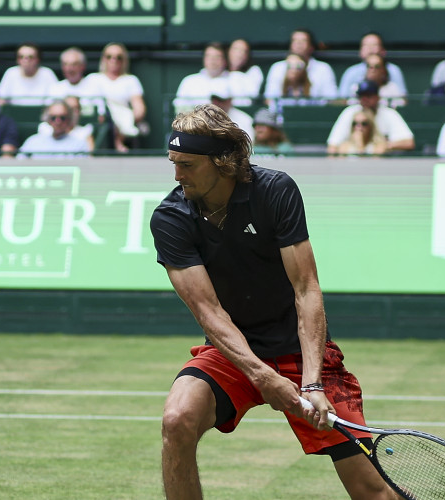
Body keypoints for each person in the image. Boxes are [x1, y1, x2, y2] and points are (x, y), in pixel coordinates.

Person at [151, 103, 395, 500]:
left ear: (222, 161)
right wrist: (262, 376)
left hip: (300, 351)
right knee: (177, 419)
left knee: (371, 492)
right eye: (173, 163)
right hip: (232, 352)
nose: (177, 175)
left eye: (188, 165)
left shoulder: (275, 191)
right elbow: (209, 312)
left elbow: (306, 289)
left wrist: (311, 382)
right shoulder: (171, 218)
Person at [87, 42, 147, 151]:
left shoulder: (131, 80)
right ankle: (117, 144)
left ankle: (117, 141)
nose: (113, 60)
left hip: (122, 119)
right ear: (103, 59)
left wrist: (127, 120)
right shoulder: (93, 78)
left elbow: (139, 109)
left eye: (119, 57)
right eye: (109, 57)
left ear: (124, 60)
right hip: (98, 120)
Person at [326, 81, 415, 154]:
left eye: (368, 96)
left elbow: (409, 143)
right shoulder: (349, 112)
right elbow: (332, 146)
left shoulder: (389, 113)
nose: (365, 100)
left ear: (377, 97)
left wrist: (384, 146)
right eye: (362, 96)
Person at [265, 29, 337, 100]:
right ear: (290, 46)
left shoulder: (323, 68)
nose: (299, 44)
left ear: (311, 47)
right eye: (295, 41)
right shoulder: (277, 67)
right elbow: (269, 99)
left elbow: (332, 99)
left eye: (304, 41)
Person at [174, 43, 251, 109]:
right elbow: (180, 108)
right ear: (204, 59)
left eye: (217, 57)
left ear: (224, 60)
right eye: (209, 56)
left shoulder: (238, 79)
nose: (213, 61)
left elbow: (245, 106)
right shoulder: (189, 80)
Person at [338, 32, 406, 100]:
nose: (370, 49)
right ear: (360, 51)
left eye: (375, 45)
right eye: (366, 45)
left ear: (383, 50)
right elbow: (341, 99)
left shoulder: (394, 71)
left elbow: (403, 99)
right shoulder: (351, 72)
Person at [18, 101, 90, 158]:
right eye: (53, 118)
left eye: (62, 118)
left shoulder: (79, 145)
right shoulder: (32, 142)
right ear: (47, 119)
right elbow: (19, 163)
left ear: (69, 119)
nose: (58, 122)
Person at [46, 47, 102, 112]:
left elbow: (100, 114)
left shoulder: (94, 87)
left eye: (74, 64)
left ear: (83, 66)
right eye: (66, 64)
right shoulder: (55, 89)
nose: (70, 69)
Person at [227, 38, 264, 103]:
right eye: (236, 49)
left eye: (244, 51)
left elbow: (252, 95)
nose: (239, 54)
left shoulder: (254, 71)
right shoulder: (220, 72)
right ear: (228, 51)